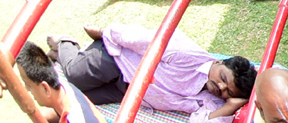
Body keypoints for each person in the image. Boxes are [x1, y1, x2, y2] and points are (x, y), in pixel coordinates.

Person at [47, 24, 256, 120]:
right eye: (223, 78)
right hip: (118, 61)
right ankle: (66, 43)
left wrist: (230, 105)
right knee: (75, 75)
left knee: (75, 97)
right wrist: (106, 32)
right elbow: (144, 40)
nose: (220, 87)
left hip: (128, 91)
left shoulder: (212, 101)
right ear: (219, 62)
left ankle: (61, 58)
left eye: (228, 91)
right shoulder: (188, 55)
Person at [15, 41, 103, 123]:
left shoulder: (76, 119)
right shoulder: (65, 88)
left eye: (28, 84)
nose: (27, 89)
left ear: (45, 88)